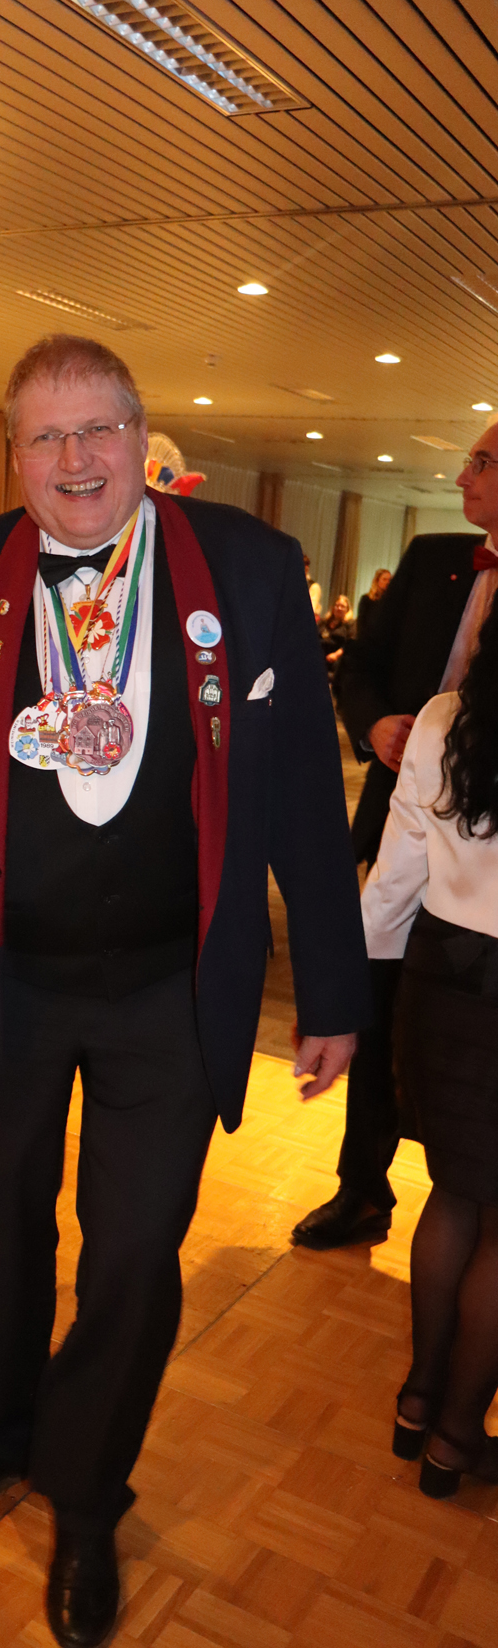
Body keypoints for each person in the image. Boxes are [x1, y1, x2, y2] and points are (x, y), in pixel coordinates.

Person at [0, 334, 369, 1648]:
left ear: (142, 439)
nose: (74, 458)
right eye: (45, 435)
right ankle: (2, 1427)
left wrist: (332, 985)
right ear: (13, 455)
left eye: (97, 430)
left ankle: (84, 1490)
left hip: (166, 987)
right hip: (1, 977)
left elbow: (301, 800)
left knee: (134, 1254)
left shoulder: (249, 568)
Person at [292, 428, 498, 1250]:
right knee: (378, 1008)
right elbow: (359, 668)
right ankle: (360, 1188)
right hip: (404, 820)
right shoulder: (432, 559)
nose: (461, 474)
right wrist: (376, 724)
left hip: (477, 865)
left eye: (481, 462)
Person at [361, 601, 498, 1497]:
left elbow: (398, 863)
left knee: (451, 1196)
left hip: (441, 979)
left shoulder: (447, 717)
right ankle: (454, 1437)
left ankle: (416, 1402)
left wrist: (355, 978)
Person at [319, 593, 354, 671]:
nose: (339, 608)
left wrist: (336, 655)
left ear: (347, 610)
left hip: (336, 659)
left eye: (342, 606)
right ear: (333, 607)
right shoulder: (323, 622)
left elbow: (349, 644)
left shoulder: (349, 625)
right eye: (337, 605)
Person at [356, 566, 392, 637]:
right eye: (384, 579)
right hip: (369, 637)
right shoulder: (366, 599)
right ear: (377, 581)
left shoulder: (391, 601)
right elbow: (361, 623)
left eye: (389, 580)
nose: (388, 582)